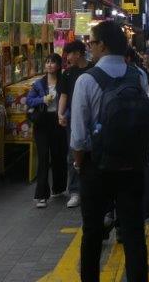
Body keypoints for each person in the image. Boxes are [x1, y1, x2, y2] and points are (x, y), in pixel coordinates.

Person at [70, 20, 149, 282]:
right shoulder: (138, 75)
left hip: (97, 167)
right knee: (134, 233)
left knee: (92, 233)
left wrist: (80, 163)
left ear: (102, 45)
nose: (89, 47)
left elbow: (79, 136)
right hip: (132, 165)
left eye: (91, 42)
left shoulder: (86, 80)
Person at [25, 54, 70, 207]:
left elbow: (68, 101)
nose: (50, 65)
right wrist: (42, 100)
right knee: (43, 157)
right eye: (48, 62)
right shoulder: (38, 84)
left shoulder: (63, 82)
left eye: (53, 62)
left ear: (58, 65)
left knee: (59, 155)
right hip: (42, 123)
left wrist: (65, 115)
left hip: (58, 122)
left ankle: (59, 188)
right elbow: (29, 100)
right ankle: (41, 195)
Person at [59, 40, 90, 208]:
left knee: (89, 152)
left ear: (78, 53)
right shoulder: (68, 73)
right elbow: (64, 95)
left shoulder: (93, 70)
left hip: (91, 119)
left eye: (69, 53)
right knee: (72, 154)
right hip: (72, 119)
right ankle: (75, 191)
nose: (67, 57)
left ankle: (89, 188)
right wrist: (60, 114)